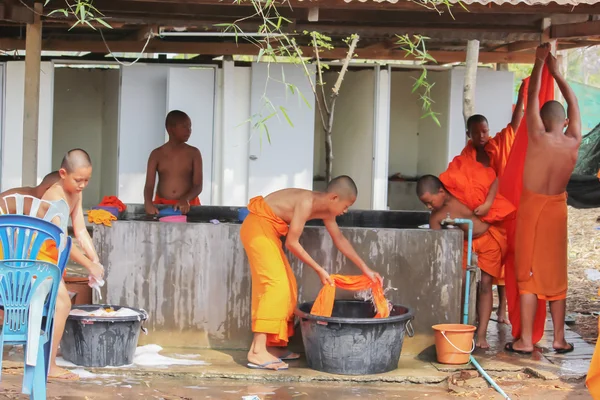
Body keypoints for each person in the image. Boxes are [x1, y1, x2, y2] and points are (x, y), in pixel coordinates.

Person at [240, 176, 383, 370]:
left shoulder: (326, 211)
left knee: (288, 286)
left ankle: (273, 346)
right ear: (334, 198)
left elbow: (339, 240)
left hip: (270, 232)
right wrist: (319, 269)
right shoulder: (306, 202)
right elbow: (292, 242)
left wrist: (366, 269)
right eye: (346, 205)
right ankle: (257, 351)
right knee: (275, 285)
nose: (346, 210)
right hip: (258, 227)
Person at [505, 43, 581, 355]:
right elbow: (574, 104)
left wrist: (538, 64)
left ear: (542, 119)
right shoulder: (573, 140)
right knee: (556, 274)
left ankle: (525, 341)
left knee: (528, 276)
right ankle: (559, 339)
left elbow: (531, 98)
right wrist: (559, 75)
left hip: (533, 209)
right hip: (557, 210)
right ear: (563, 122)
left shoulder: (535, 136)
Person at [417, 167, 515, 348]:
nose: (429, 207)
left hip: (488, 237)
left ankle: (482, 334)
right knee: (461, 284)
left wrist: (487, 204)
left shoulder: (462, 187)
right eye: (426, 205)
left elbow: (495, 180)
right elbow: (436, 244)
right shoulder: (436, 216)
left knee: (486, 285)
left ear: (441, 191)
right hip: (464, 243)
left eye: (430, 202)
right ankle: (461, 329)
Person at [461, 83, 526, 325]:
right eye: (476, 132)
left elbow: (515, 125)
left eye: (485, 131)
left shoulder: (497, 145)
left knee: (504, 261)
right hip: (479, 217)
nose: (481, 136)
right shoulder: (463, 159)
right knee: (485, 272)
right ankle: (477, 314)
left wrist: (521, 97)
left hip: (501, 212)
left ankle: (502, 310)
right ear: (468, 134)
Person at [39, 149, 105, 380]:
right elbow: (62, 240)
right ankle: (49, 365)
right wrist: (88, 265)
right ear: (63, 173)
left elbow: (80, 231)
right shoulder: (54, 196)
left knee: (63, 302)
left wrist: (95, 259)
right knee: (63, 302)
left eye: (87, 180)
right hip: (38, 264)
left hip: (55, 263)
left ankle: (48, 358)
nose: (83, 185)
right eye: (78, 180)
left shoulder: (74, 194)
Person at [144, 110, 203, 215]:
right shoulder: (156, 154)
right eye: (184, 126)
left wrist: (185, 199)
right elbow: (149, 185)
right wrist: (148, 202)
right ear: (170, 129)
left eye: (190, 126)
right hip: (161, 206)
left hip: (188, 206)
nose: (189, 130)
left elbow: (198, 185)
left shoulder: (194, 153)